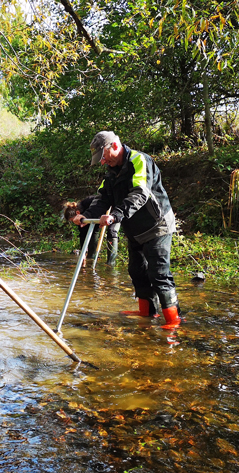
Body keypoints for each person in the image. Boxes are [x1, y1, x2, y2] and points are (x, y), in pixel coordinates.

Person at [72, 131, 181, 328]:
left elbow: (140, 193)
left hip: (157, 225)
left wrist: (115, 215)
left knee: (159, 273)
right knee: (136, 270)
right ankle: (147, 312)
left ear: (114, 146)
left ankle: (173, 320)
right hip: (135, 229)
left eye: (103, 157)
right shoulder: (111, 174)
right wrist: (85, 216)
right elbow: (102, 198)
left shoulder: (139, 161)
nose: (102, 162)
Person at [62, 194, 120, 266]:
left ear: (77, 213)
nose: (75, 223)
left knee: (112, 232)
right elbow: (83, 234)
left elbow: (101, 204)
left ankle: (111, 263)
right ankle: (91, 260)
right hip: (97, 219)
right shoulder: (80, 219)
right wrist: (83, 253)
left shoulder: (89, 202)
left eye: (73, 220)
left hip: (115, 211)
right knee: (92, 235)